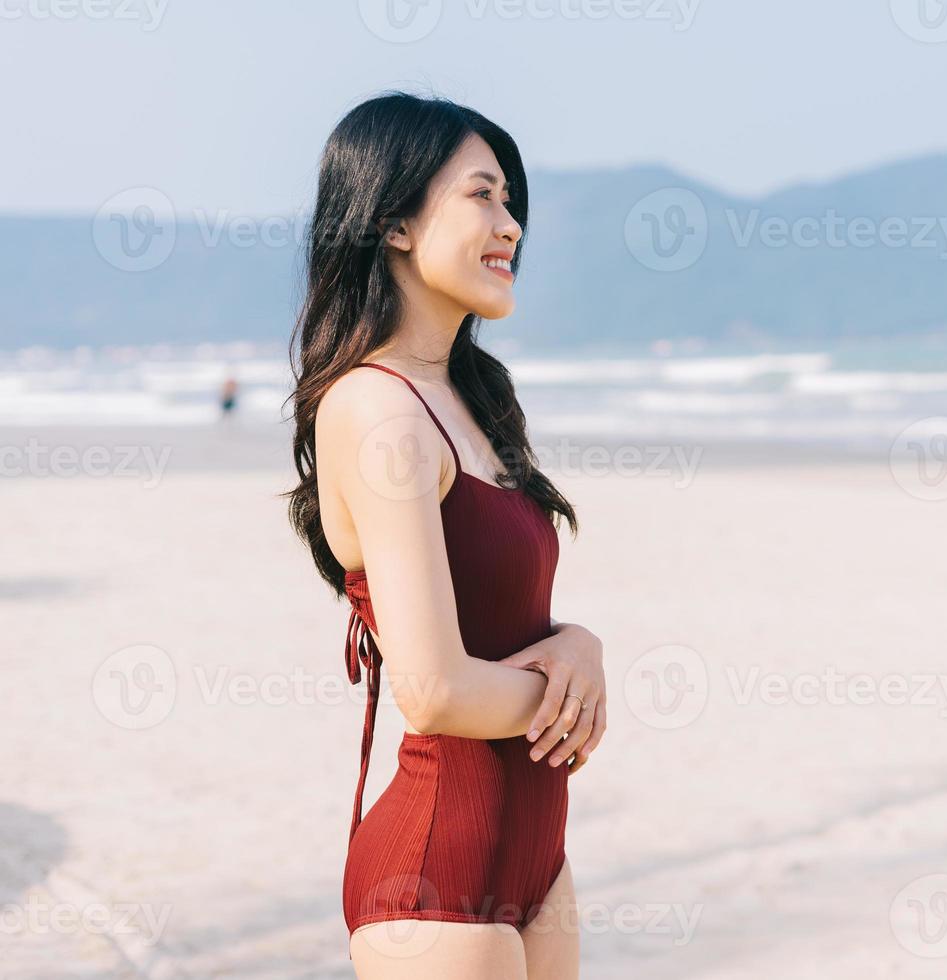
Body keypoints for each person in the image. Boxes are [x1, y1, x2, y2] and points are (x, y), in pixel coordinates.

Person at [283, 92, 606, 980]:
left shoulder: (476, 399)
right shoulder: (376, 408)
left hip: (539, 860)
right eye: (482, 196)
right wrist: (574, 697)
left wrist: (579, 642)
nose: (510, 226)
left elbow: (505, 627)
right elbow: (432, 691)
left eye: (512, 204)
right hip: (435, 880)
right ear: (392, 222)